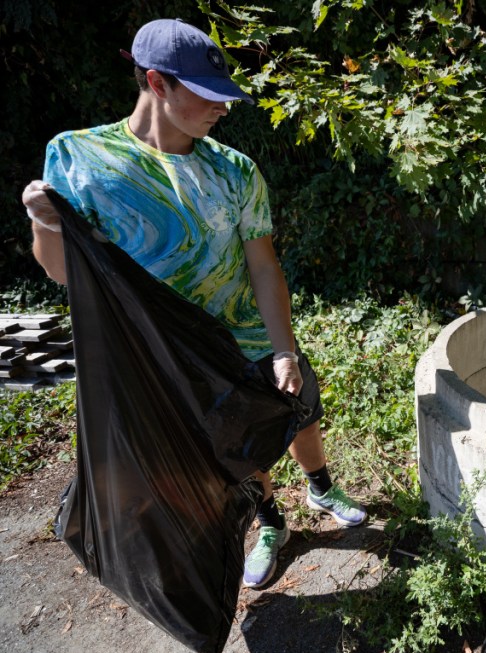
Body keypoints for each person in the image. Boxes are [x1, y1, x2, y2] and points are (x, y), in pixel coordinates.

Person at [21, 18, 366, 589]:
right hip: (170, 360)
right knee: (235, 451)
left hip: (250, 341)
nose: (222, 109)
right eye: (208, 95)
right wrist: (44, 223)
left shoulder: (234, 170)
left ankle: (322, 486)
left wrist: (283, 349)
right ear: (158, 83)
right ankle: (271, 522)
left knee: (301, 411)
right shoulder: (82, 159)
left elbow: (263, 265)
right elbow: (62, 273)